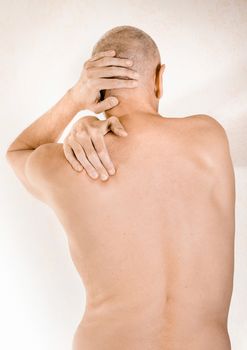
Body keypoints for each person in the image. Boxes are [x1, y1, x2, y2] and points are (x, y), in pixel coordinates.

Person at [6, 25, 235, 350]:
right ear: (159, 79)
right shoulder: (210, 137)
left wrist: (75, 104)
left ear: (95, 91)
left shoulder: (65, 164)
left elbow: (17, 152)